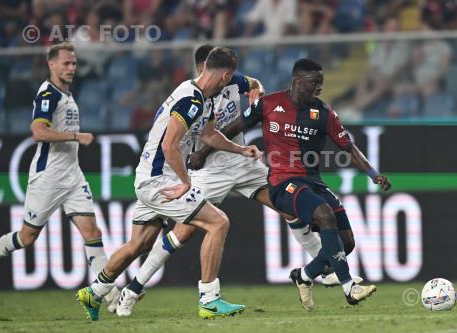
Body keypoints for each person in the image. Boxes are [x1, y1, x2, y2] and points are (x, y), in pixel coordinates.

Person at [114, 44, 363, 317]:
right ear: (201, 71)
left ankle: (323, 270)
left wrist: (257, 90)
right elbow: (196, 137)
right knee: (184, 231)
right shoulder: (197, 98)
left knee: (289, 202)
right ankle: (134, 288)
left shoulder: (232, 81)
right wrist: (201, 154)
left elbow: (255, 83)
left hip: (244, 165)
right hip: (211, 170)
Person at [76, 46, 261, 321]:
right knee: (218, 222)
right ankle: (209, 299)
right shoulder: (192, 100)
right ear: (224, 76)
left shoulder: (204, 99)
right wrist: (186, 182)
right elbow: (169, 144)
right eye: (230, 77)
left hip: (151, 178)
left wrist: (240, 149)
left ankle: (95, 291)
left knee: (139, 244)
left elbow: (210, 136)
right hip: (159, 181)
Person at [242, 58, 391, 310]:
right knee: (324, 215)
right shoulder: (268, 104)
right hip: (282, 183)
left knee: (347, 243)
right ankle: (349, 288)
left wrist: (373, 174)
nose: (319, 88)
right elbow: (235, 126)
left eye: (321, 83)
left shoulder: (323, 112)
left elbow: (348, 147)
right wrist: (206, 147)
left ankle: (304, 276)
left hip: (313, 182)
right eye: (314, 83)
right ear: (297, 81)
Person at [0, 42, 120, 310]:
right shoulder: (48, 93)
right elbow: (38, 132)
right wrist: (76, 135)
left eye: (74, 63)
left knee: (92, 231)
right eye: (66, 63)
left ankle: (108, 295)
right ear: (51, 64)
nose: (71, 68)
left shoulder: (67, 94)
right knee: (27, 238)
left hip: (72, 176)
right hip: (49, 177)